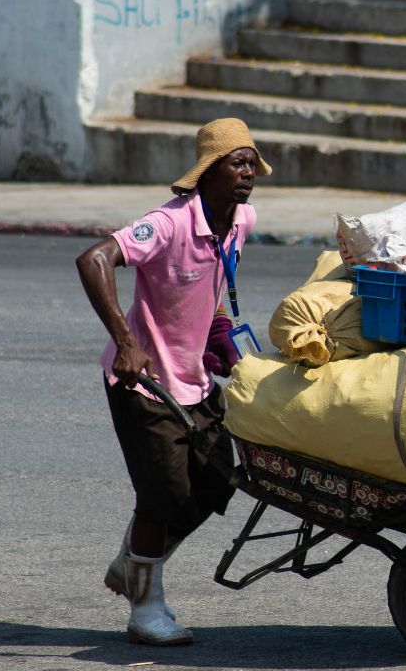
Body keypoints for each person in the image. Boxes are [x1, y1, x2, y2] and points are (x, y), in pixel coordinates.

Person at [76, 118, 271, 645]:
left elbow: (210, 286)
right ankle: (146, 608)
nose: (248, 172)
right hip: (144, 382)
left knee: (215, 482)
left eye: (252, 162)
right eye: (238, 162)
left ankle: (133, 563)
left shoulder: (241, 220)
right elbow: (94, 259)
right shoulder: (167, 224)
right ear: (208, 171)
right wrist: (125, 341)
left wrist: (221, 338)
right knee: (162, 493)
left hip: (194, 378)